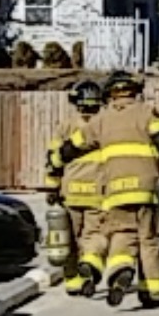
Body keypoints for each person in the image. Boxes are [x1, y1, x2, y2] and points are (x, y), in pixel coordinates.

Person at [85, 72, 159, 308]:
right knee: (150, 239)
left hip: (115, 191)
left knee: (123, 235)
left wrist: (55, 161)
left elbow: (74, 145)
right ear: (135, 91)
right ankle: (152, 292)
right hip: (145, 189)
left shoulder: (100, 120)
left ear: (110, 95)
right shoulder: (147, 112)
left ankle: (121, 269)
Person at [43, 80, 106, 295]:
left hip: (70, 193)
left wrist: (52, 188)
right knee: (94, 234)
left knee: (69, 236)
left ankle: (72, 281)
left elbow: (53, 159)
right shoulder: (104, 126)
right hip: (98, 192)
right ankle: (90, 263)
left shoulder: (66, 126)